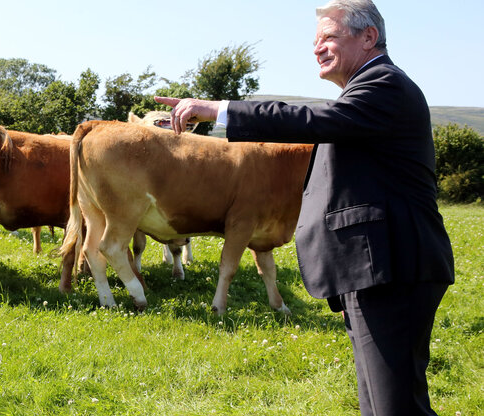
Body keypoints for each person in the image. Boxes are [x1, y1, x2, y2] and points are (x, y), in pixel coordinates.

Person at [155, 1, 454, 415]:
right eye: (316, 41)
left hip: (392, 267)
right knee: (378, 404)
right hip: (376, 267)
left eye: (329, 37)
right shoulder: (369, 91)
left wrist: (221, 109)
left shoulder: (384, 85)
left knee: (395, 407)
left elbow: (313, 120)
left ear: (369, 37)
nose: (318, 48)